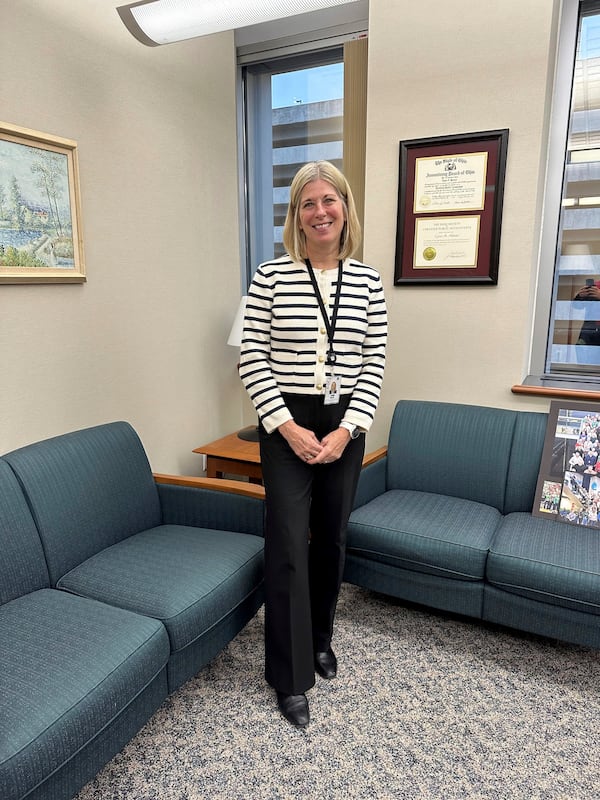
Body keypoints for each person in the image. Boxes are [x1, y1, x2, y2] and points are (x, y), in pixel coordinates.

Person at [238, 161, 387, 727]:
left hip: (346, 420)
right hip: (286, 423)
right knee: (286, 545)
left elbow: (373, 362)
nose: (320, 211)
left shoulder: (368, 281)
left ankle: (321, 636)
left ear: (344, 207)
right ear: (295, 216)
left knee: (330, 539)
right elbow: (251, 356)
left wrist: (347, 429)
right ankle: (289, 674)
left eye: (329, 200)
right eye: (308, 203)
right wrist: (287, 426)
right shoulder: (270, 276)